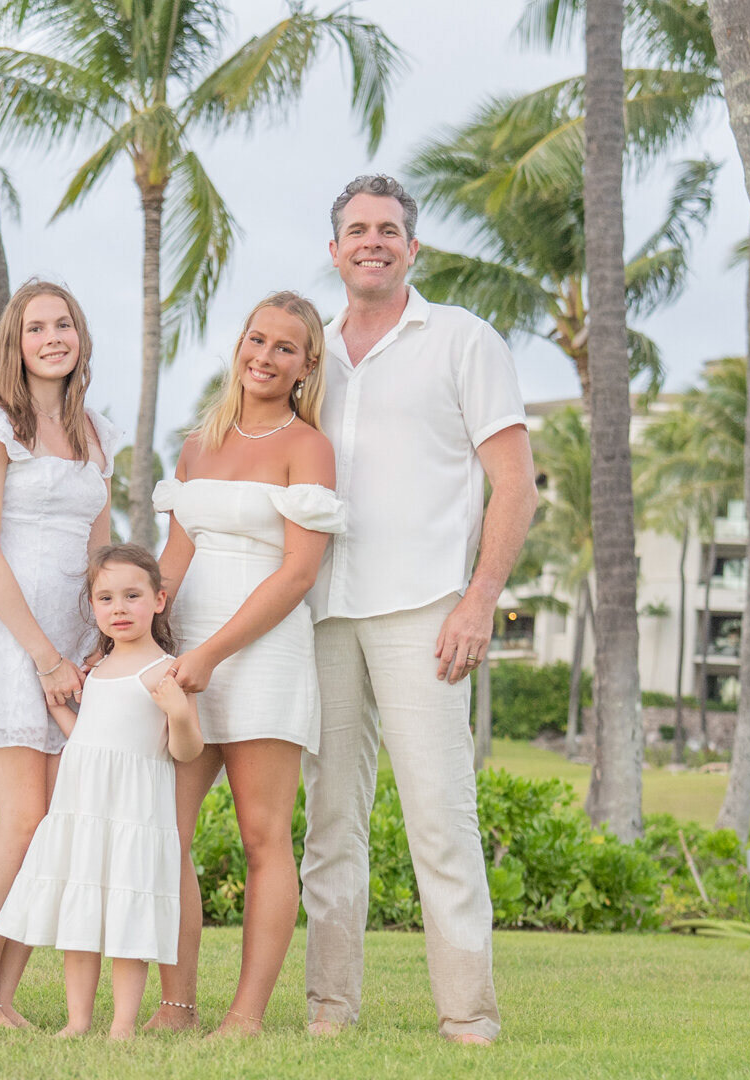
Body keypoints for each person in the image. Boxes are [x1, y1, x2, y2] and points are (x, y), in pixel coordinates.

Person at [300, 175, 538, 1045]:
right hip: (321, 612)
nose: (373, 241)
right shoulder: (308, 353)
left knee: (440, 818)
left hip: (427, 613)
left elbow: (515, 482)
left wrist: (480, 600)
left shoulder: (464, 341)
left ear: (413, 248)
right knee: (329, 824)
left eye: (389, 229)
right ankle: (329, 1010)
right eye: (356, 229)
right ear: (333, 251)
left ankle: (468, 1017)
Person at [147, 291, 345, 1036]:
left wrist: (211, 655)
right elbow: (175, 555)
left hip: (262, 655)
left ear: (307, 364)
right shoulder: (198, 444)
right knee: (164, 831)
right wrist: (146, 640)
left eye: (284, 348)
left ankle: (246, 1015)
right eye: (255, 340)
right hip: (186, 656)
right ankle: (176, 1004)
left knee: (265, 838)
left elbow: (297, 575)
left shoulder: (309, 447)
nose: (264, 357)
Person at [0, 279, 119, 1027]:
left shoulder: (97, 429)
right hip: (17, 642)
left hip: (80, 646)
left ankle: (7, 997)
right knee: (20, 819)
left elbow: (102, 548)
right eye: (38, 327)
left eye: (65, 324)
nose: (53, 337)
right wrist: (46, 656)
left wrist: (106, 650)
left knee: (52, 826)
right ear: (17, 343)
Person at [0, 544, 204, 1039]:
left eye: (132, 595)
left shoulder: (166, 671)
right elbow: (87, 737)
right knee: (81, 917)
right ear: (93, 607)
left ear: (158, 600)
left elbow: (187, 751)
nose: (119, 608)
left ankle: (123, 1024)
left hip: (132, 812)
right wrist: (58, 709)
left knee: (127, 920)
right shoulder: (98, 668)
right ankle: (77, 1020)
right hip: (84, 808)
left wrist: (176, 711)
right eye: (106, 598)